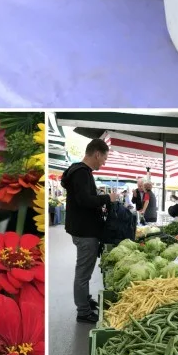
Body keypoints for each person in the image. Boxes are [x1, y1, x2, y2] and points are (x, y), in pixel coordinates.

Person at [60, 138, 118, 324]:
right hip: (85, 231)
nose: (104, 163)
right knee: (83, 273)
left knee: (85, 271)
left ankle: (85, 300)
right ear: (97, 154)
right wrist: (107, 198)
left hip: (81, 228)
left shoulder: (78, 171)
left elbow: (82, 199)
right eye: (104, 158)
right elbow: (85, 200)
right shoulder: (82, 173)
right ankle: (83, 311)